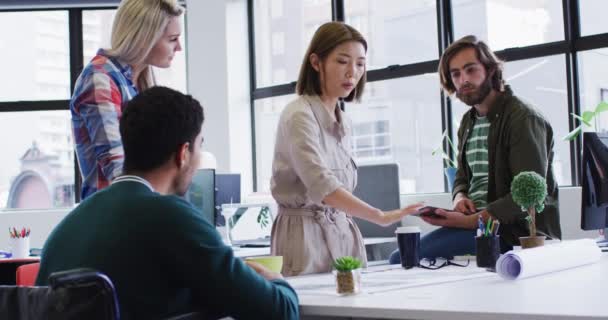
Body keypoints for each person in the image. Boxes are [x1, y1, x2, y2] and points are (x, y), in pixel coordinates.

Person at [37, 87, 299, 320]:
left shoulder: (69, 225)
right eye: (199, 147)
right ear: (183, 154)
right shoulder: (171, 216)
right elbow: (278, 312)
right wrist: (278, 283)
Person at [389, 35, 562, 263]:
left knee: (403, 258)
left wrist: (469, 221)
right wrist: (460, 197)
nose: (464, 80)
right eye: (456, 74)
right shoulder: (469, 121)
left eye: (471, 70)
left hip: (512, 233)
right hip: (477, 226)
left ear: (490, 70)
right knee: (402, 256)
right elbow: (462, 176)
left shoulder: (522, 118)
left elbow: (528, 196)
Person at [271, 21, 422, 277]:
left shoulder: (344, 121)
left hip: (343, 231)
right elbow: (322, 184)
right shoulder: (298, 114)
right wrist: (380, 216)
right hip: (304, 236)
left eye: (360, 64)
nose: (352, 72)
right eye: (342, 61)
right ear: (316, 62)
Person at [72, 0, 184, 199]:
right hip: (112, 216)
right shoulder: (100, 79)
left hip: (132, 209)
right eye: (172, 39)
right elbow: (118, 171)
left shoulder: (138, 82)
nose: (179, 48)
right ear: (145, 38)